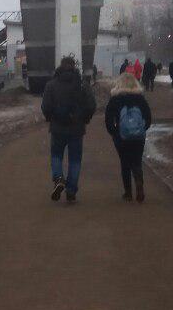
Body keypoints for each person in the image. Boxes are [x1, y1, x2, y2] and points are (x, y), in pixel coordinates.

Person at [41, 56, 97, 205]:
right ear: (74, 67)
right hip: (77, 129)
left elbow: (45, 106)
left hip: (57, 128)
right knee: (75, 160)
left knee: (56, 155)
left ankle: (59, 179)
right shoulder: (82, 85)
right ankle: (71, 192)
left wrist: (50, 118)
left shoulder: (51, 85)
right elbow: (92, 105)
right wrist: (85, 118)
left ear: (61, 66)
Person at [105, 72, 152, 202]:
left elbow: (108, 119)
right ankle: (138, 180)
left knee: (125, 162)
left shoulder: (115, 98)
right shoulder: (140, 98)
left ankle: (128, 192)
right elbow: (148, 117)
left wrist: (114, 132)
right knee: (136, 160)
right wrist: (142, 129)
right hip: (138, 136)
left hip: (121, 136)